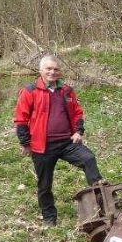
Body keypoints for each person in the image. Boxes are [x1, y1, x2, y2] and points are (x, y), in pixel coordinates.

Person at [14, 55, 103, 227]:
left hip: (67, 143)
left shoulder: (66, 90)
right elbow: (21, 118)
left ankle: (101, 200)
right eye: (48, 69)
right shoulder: (30, 91)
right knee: (45, 184)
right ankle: (49, 218)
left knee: (88, 159)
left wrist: (79, 131)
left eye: (56, 69)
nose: (52, 72)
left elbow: (77, 112)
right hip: (42, 146)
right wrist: (25, 143)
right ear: (41, 70)